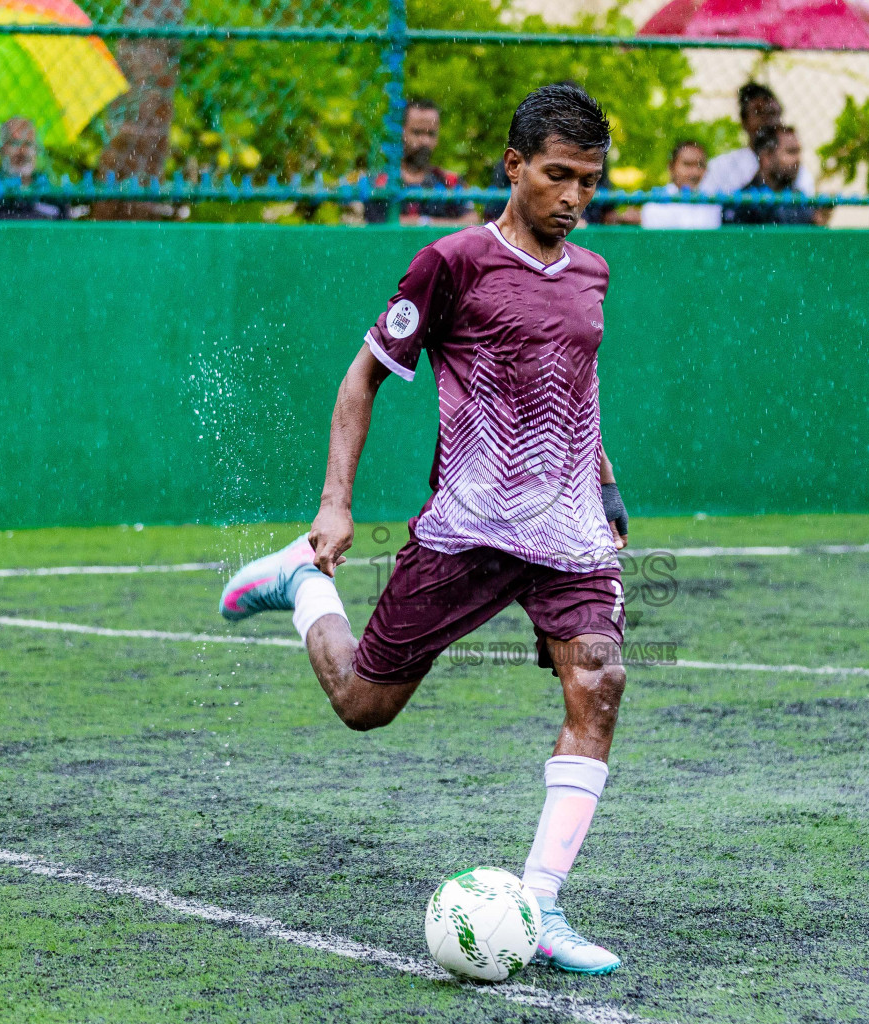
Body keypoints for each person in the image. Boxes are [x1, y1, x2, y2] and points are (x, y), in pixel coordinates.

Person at [218, 83, 630, 975]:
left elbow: (575, 388)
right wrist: (335, 505)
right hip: (469, 531)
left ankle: (543, 906)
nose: (573, 197)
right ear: (514, 166)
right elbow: (361, 379)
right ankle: (302, 583)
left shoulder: (593, 272)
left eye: (589, 182)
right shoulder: (451, 263)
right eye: (558, 175)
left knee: (599, 684)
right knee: (364, 705)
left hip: (570, 537)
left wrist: (606, 487)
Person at [363, 99, 478, 227]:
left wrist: (422, 222)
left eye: (431, 134)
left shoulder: (449, 182)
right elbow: (373, 225)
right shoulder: (379, 183)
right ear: (401, 133)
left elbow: (472, 222)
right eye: (417, 132)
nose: (425, 141)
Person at [700, 82, 816, 198]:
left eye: (773, 113)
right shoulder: (720, 167)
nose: (768, 121)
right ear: (744, 121)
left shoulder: (797, 172)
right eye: (759, 113)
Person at [0, 118, 72, 221]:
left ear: (36, 149)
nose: (22, 151)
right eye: (14, 143)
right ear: (1, 149)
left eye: (28, 144)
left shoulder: (53, 195)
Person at [724, 126, 826, 226]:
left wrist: (816, 221)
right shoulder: (742, 202)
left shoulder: (800, 200)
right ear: (766, 158)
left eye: (798, 152)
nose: (798, 159)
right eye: (791, 152)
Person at [638, 140, 722, 230]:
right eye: (688, 164)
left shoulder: (714, 203)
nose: (695, 172)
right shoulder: (654, 203)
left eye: (700, 165)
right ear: (671, 167)